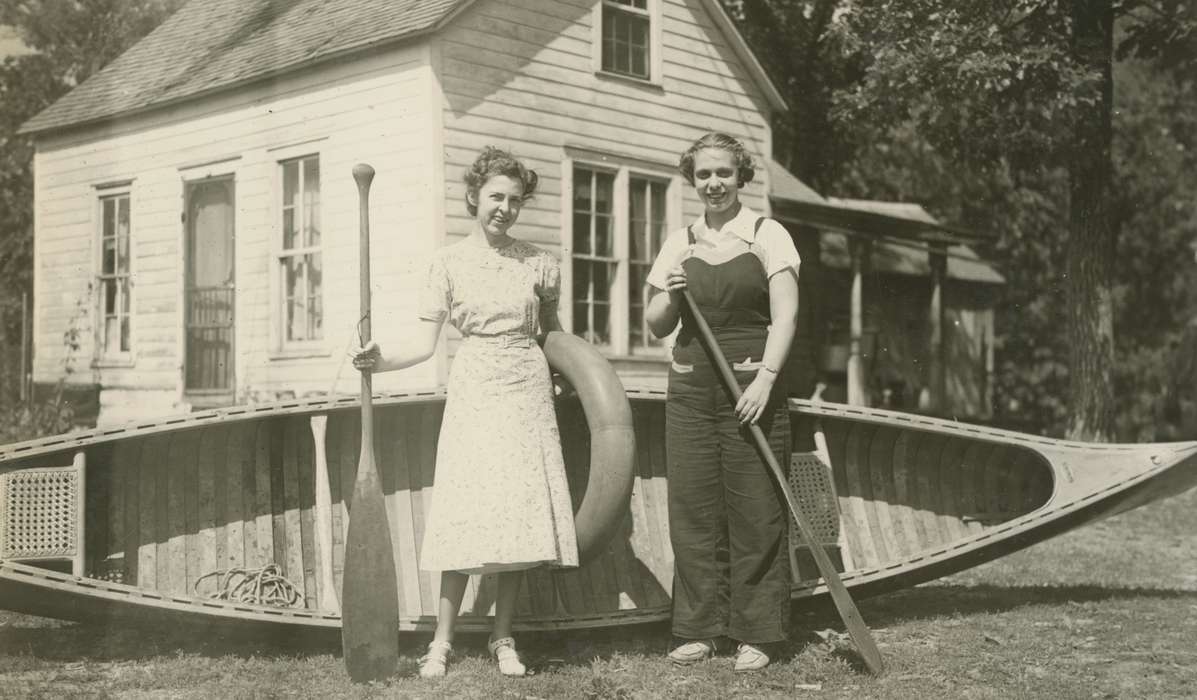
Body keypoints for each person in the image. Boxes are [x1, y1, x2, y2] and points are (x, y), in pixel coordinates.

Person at [350, 146, 578, 678]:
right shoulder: (448, 261)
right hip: (475, 387)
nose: (505, 208)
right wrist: (378, 359)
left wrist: (568, 373)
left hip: (527, 389)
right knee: (466, 509)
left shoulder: (540, 263)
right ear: (474, 197)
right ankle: (442, 642)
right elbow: (425, 344)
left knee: (518, 514)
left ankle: (504, 637)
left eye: (515, 200)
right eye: (495, 196)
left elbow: (554, 334)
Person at [644, 132, 800, 672]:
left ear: (741, 176)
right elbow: (656, 322)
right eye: (704, 174)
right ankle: (698, 629)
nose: (714, 184)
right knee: (693, 507)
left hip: (750, 381)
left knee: (755, 507)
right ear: (692, 179)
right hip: (691, 386)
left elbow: (786, 316)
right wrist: (670, 289)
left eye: (724, 174)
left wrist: (767, 381)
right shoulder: (679, 239)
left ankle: (758, 632)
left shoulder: (766, 233)